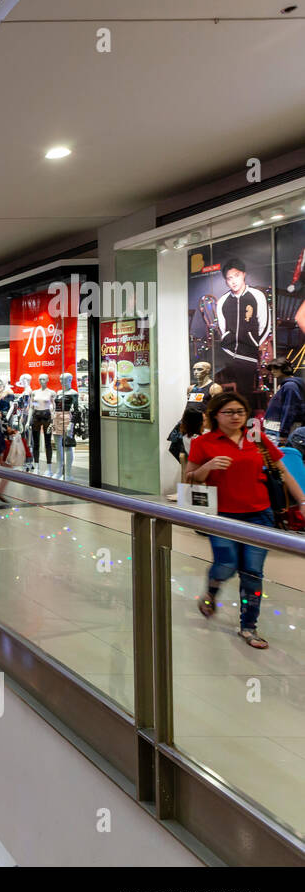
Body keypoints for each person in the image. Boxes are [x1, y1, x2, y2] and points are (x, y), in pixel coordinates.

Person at [186, 391, 305, 649]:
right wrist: (207, 468)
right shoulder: (204, 443)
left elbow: (282, 471)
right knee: (226, 564)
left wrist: (302, 501)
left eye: (240, 412)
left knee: (252, 573)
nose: (236, 417)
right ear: (216, 415)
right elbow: (189, 478)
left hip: (259, 515)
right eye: (228, 412)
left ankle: (248, 626)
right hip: (221, 516)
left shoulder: (257, 439)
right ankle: (212, 589)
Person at [214, 258, 270, 398]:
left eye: (237, 276)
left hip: (248, 351)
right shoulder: (222, 301)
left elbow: (265, 324)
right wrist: (227, 340)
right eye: (229, 278)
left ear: (244, 274)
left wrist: (255, 343)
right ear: (226, 281)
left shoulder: (257, 296)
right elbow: (222, 327)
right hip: (227, 350)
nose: (233, 281)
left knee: (244, 392)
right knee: (220, 391)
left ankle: (246, 416)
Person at [264, 357, 305, 442]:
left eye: (276, 368)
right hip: (276, 429)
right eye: (271, 369)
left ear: (284, 368)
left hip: (277, 430)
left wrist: (283, 433)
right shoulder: (287, 385)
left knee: (275, 454)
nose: (272, 371)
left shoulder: (290, 386)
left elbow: (289, 410)